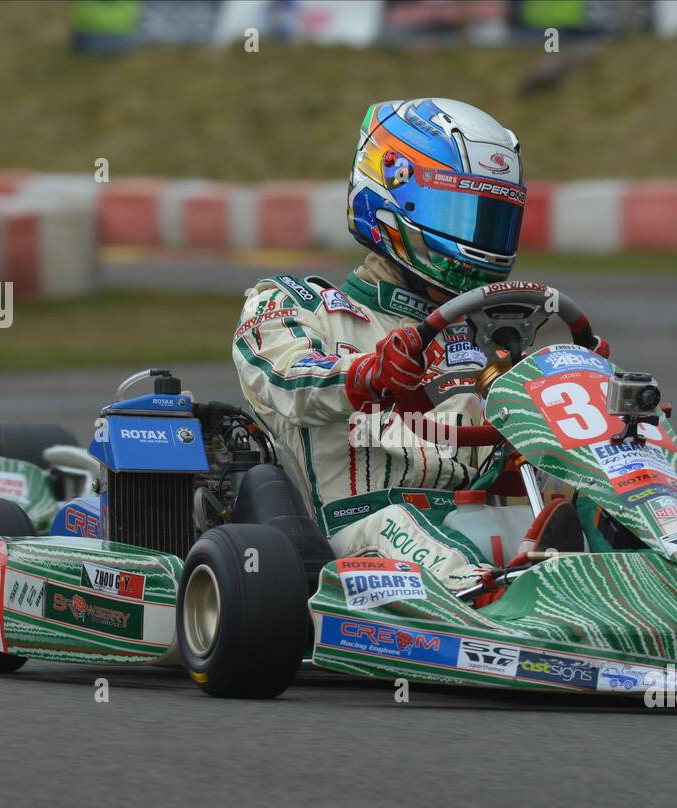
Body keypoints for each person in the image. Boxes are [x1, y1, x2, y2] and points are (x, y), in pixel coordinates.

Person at [233, 98, 608, 592]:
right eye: (459, 212)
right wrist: (365, 376)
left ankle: (669, 566)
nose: (478, 239)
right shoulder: (297, 304)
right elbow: (284, 378)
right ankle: (493, 603)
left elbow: (518, 450)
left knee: (588, 506)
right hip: (361, 531)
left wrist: (580, 388)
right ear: (392, 196)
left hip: (480, 522)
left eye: (490, 220)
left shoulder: (493, 337)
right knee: (408, 529)